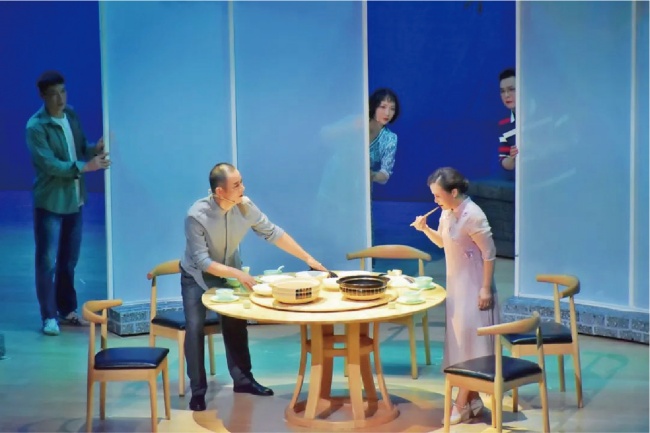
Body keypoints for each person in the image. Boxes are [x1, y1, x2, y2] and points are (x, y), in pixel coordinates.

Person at [180, 162, 328, 412]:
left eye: (241, 182)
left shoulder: (245, 206)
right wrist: (238, 274)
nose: (243, 188)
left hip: (229, 271)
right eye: (236, 185)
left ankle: (243, 381)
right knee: (194, 327)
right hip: (196, 275)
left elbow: (274, 233)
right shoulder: (196, 216)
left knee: (236, 322)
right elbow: (203, 262)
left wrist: (308, 259)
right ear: (220, 191)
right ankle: (198, 392)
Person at [411, 167, 500, 425]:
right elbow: (443, 242)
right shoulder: (447, 212)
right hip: (457, 289)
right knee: (460, 344)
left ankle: (461, 403)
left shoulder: (474, 215)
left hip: (475, 288)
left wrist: (485, 289)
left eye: (438, 195)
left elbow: (489, 254)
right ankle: (472, 400)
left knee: (471, 346)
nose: (435, 200)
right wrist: (425, 229)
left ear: (454, 192)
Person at [26, 70, 110, 336]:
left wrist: (94, 149)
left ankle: (66, 310)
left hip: (75, 200)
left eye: (63, 91)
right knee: (47, 262)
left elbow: (79, 146)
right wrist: (86, 167)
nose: (60, 98)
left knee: (68, 261)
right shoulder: (36, 127)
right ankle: (48, 316)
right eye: (53, 94)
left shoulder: (70, 115)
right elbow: (50, 164)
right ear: (43, 96)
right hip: (50, 202)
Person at [369, 88, 400, 185]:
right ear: (373, 106)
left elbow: (385, 174)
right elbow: (329, 133)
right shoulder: (358, 122)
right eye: (383, 107)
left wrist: (372, 175)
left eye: (392, 109)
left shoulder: (390, 138)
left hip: (360, 184)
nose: (387, 113)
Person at [498, 68, 518, 172]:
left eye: (511, 89)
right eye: (502, 91)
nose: (506, 95)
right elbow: (503, 160)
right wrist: (512, 157)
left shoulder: (545, 114)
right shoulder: (503, 124)